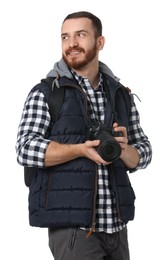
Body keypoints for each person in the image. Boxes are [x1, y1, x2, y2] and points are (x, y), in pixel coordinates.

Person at [15, 11, 152, 260]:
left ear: (100, 42)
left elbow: (144, 150)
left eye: (80, 35)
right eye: (65, 37)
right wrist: (79, 149)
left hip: (117, 227)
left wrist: (124, 150)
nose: (72, 43)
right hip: (74, 231)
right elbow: (25, 148)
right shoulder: (47, 92)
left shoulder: (120, 93)